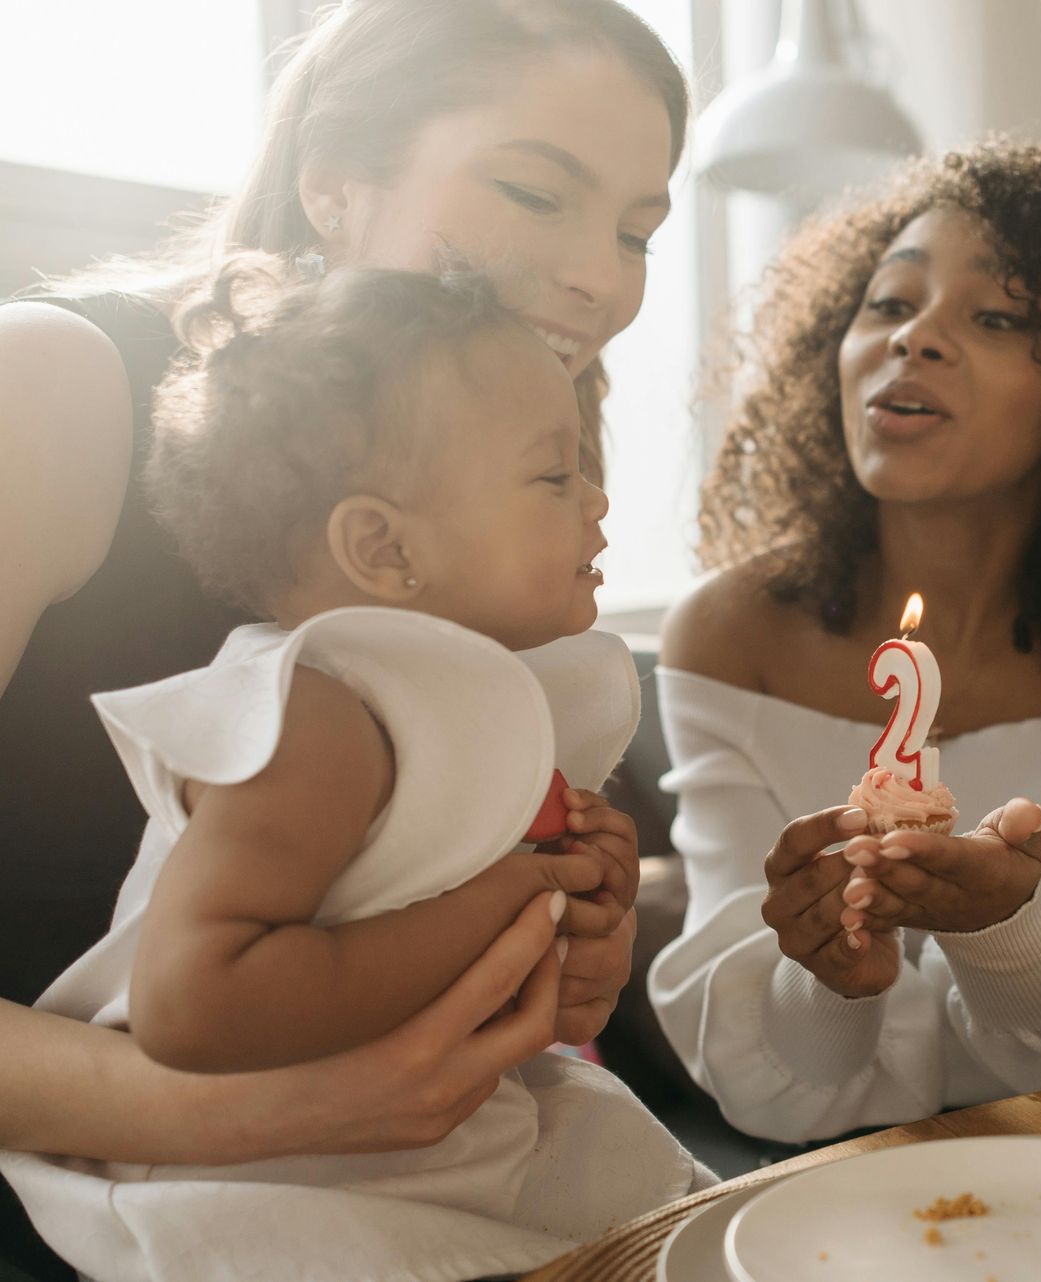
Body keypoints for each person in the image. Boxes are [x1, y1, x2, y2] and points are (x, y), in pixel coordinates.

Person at [0, 3, 686, 1260]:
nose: (602, 276)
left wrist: (563, 952)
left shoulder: (494, 507)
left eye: (639, 231)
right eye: (538, 193)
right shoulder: (50, 390)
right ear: (333, 186)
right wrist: (253, 1111)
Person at [648, 141, 1041, 1143]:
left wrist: (1008, 929)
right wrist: (834, 982)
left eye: (998, 318)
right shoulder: (732, 638)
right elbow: (762, 1089)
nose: (917, 340)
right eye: (890, 305)